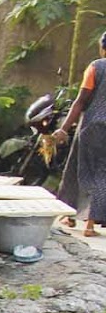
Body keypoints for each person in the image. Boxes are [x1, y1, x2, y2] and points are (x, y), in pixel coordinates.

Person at [55, 32, 106, 238]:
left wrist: (64, 128)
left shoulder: (96, 67)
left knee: (80, 170)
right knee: (101, 172)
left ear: (102, 48)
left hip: (91, 127)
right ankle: (81, 219)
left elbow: (80, 101)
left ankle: (83, 221)